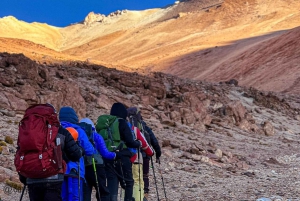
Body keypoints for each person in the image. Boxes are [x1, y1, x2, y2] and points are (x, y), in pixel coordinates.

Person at [16, 103, 83, 201]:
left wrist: (24, 177)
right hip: (53, 178)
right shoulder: (60, 131)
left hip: (31, 178)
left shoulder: (27, 133)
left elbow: (21, 153)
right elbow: (76, 155)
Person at [99, 102, 142, 201]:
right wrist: (138, 143)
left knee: (112, 182)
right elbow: (130, 141)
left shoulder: (107, 124)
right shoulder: (122, 122)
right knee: (129, 182)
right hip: (122, 157)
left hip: (109, 157)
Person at [80, 118, 121, 201]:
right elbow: (105, 153)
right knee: (102, 192)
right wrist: (116, 155)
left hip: (84, 167)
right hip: (97, 167)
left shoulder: (79, 135)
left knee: (85, 193)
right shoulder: (96, 136)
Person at [59, 106, 95, 201]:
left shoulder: (55, 130)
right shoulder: (78, 130)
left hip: (59, 171)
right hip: (76, 170)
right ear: (73, 117)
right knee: (75, 198)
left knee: (62, 197)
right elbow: (90, 150)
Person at [127, 107, 161, 200]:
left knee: (131, 178)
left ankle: (131, 196)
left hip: (129, 156)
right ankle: (144, 195)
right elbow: (153, 140)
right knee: (144, 175)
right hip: (145, 155)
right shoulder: (144, 126)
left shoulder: (127, 126)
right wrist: (157, 153)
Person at [127, 120, 154, 201]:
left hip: (121, 159)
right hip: (136, 159)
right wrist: (151, 153)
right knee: (137, 181)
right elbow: (145, 144)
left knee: (127, 183)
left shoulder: (117, 127)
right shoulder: (135, 129)